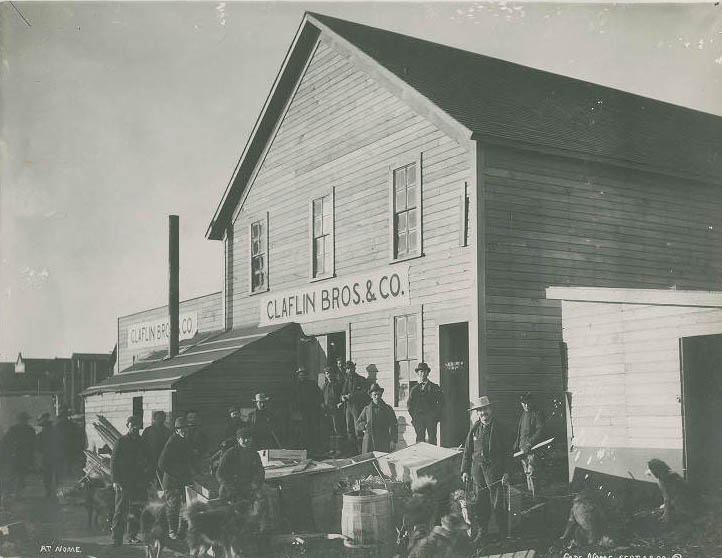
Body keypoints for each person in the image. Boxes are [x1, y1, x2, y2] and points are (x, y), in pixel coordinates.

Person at [460, 396, 511, 543]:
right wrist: (465, 470)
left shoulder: (500, 428)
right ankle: (482, 532)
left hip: (495, 471)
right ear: (477, 413)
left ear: (491, 409)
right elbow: (467, 451)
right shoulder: (474, 429)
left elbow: (508, 453)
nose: (483, 413)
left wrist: (507, 472)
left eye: (485, 409)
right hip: (478, 472)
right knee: (480, 503)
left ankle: (503, 534)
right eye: (480, 410)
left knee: (498, 504)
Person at [110, 416, 149, 546]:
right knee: (120, 510)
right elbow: (113, 463)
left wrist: (146, 475)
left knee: (136, 509)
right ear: (128, 426)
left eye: (137, 425)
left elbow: (147, 459)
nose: (135, 428)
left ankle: (132, 536)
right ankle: (116, 538)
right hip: (123, 482)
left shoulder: (142, 442)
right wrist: (115, 481)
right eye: (132, 425)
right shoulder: (121, 441)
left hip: (138, 482)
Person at [159, 417, 194, 540]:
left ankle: (181, 532)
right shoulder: (172, 442)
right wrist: (176, 473)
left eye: (186, 429)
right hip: (171, 481)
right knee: (173, 506)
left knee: (185, 505)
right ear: (177, 430)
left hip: (182, 480)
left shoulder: (185, 441)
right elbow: (162, 464)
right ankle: (172, 531)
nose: (185, 431)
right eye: (182, 429)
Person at [216, 426, 265, 504]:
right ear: (238, 440)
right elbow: (219, 473)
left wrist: (255, 483)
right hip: (232, 487)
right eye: (243, 438)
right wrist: (229, 486)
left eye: (248, 438)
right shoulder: (230, 453)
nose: (246, 440)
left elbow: (260, 471)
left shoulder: (254, 454)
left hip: (249, 486)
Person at [514, 392, 544, 499]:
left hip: (532, 451)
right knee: (527, 474)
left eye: (528, 403)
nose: (526, 406)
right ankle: (531, 498)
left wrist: (529, 443)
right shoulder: (523, 415)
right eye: (524, 403)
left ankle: (537, 499)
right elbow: (520, 433)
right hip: (522, 451)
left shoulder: (536, 414)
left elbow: (540, 430)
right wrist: (516, 446)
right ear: (521, 403)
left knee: (533, 474)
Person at [355, 383, 398, 453]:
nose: (377, 396)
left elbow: (393, 425)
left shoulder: (387, 409)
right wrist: (364, 425)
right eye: (375, 394)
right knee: (368, 461)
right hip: (369, 442)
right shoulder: (366, 409)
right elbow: (358, 424)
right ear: (371, 396)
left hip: (383, 441)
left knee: (383, 461)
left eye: (379, 394)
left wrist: (393, 441)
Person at [407, 362, 443, 444]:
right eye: (421, 372)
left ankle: (433, 456)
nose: (423, 374)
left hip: (431, 418)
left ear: (428, 373)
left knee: (432, 438)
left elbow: (441, 402)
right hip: (419, 418)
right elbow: (409, 405)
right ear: (418, 373)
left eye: (425, 371)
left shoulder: (434, 387)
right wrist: (415, 416)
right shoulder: (414, 389)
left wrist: (436, 415)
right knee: (420, 440)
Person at [2, 411, 35, 499]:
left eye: (25, 420)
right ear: (19, 420)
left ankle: (18, 493)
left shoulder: (30, 430)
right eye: (22, 420)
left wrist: (32, 458)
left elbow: (33, 445)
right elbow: (5, 442)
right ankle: (10, 493)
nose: (23, 421)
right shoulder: (13, 429)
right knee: (12, 475)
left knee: (21, 476)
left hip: (24, 457)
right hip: (15, 456)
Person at [341, 361, 370, 454]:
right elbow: (342, 392)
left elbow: (365, 392)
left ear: (354, 369)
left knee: (358, 429)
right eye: (347, 369)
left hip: (357, 407)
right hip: (348, 407)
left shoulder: (361, 380)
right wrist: (342, 397)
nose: (349, 370)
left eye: (350, 368)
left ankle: (360, 451)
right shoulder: (346, 381)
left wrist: (352, 396)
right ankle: (352, 452)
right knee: (349, 429)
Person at [291, 368, 323, 454]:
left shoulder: (312, 384)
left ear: (306, 375)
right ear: (298, 376)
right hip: (302, 412)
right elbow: (293, 399)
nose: (302, 376)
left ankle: (314, 448)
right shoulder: (296, 386)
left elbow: (319, 395)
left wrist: (317, 405)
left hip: (312, 410)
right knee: (303, 430)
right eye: (300, 375)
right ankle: (305, 449)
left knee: (313, 429)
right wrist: (296, 409)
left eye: (304, 375)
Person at [142, 410, 171, 482]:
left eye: (162, 418)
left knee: (161, 481)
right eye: (158, 418)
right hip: (150, 461)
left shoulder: (167, 432)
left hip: (163, 461)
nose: (160, 420)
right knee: (150, 480)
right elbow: (142, 445)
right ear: (154, 419)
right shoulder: (148, 430)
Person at [322, 366, 346, 451]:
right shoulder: (325, 385)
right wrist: (323, 405)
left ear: (333, 374)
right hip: (328, 410)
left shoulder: (338, 384)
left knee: (337, 429)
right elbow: (322, 397)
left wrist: (340, 403)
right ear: (325, 375)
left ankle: (339, 449)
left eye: (330, 373)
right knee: (329, 429)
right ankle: (332, 449)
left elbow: (342, 394)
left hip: (336, 410)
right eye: (327, 373)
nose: (329, 375)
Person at [37, 413, 55, 499]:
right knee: (53, 474)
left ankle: (49, 491)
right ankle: (52, 491)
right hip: (54, 456)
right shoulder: (55, 433)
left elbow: (38, 448)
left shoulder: (41, 435)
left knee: (47, 475)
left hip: (47, 457)